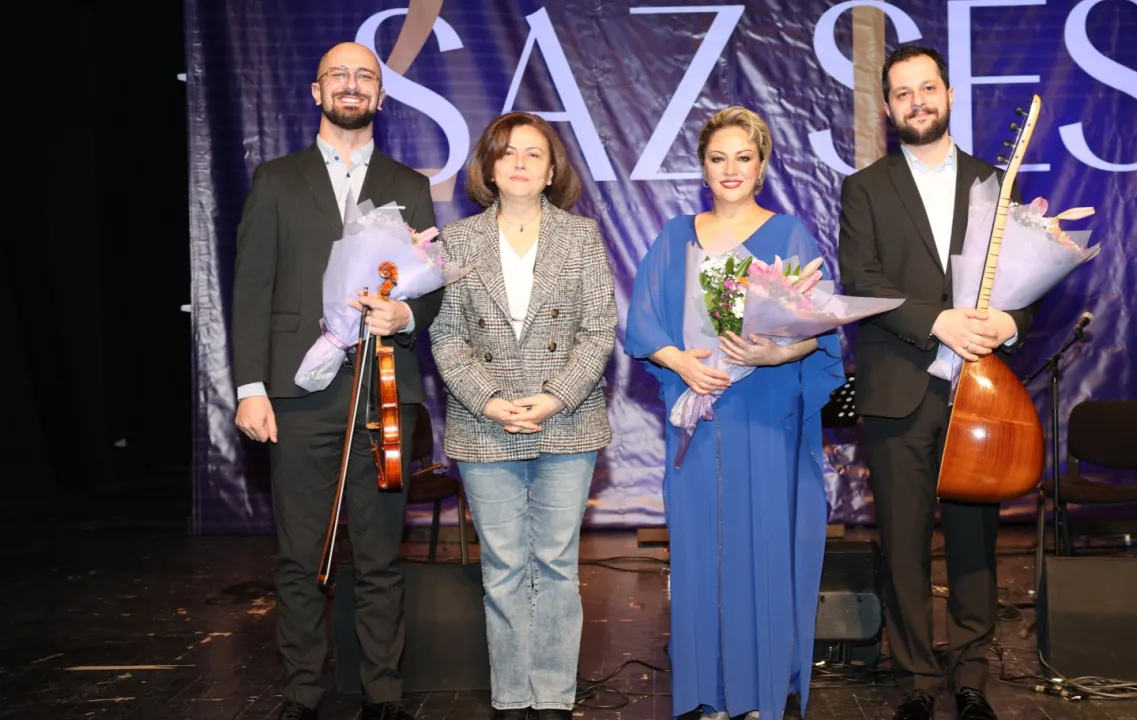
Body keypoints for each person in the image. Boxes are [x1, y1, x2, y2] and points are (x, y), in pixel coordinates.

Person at [231, 41, 440, 720]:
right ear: (317, 92)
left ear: (380, 96)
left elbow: (432, 289)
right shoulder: (275, 180)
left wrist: (405, 313)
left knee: (380, 555)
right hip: (297, 395)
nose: (352, 85)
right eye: (339, 75)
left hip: (384, 392)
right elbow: (252, 289)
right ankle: (302, 692)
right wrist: (250, 388)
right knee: (300, 556)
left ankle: (383, 693)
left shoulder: (410, 185)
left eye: (365, 77)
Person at [624, 106, 845, 720]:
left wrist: (775, 353)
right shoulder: (675, 236)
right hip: (698, 413)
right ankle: (708, 694)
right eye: (718, 158)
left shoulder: (790, 235)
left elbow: (819, 333)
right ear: (702, 166)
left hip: (765, 413)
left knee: (763, 549)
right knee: (700, 552)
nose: (730, 169)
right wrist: (680, 361)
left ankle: (759, 694)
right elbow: (642, 323)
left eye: (743, 158)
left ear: (762, 165)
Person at [837, 46, 1038, 720]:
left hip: (978, 392)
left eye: (927, 88)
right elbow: (862, 281)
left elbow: (1028, 286)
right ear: (888, 108)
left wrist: (1009, 322)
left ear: (949, 94)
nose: (916, 101)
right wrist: (939, 321)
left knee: (976, 542)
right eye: (903, 93)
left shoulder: (994, 182)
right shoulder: (864, 188)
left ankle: (971, 674)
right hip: (900, 388)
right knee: (903, 544)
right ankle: (919, 680)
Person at [428, 111, 617, 720]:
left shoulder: (581, 237)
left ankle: (554, 698)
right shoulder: (456, 240)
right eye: (507, 151)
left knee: (557, 565)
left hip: (567, 421)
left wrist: (556, 396)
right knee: (504, 567)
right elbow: (446, 336)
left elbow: (598, 331)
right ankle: (512, 698)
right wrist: (487, 399)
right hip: (484, 422)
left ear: (552, 170)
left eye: (534, 153)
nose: (519, 162)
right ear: (488, 166)